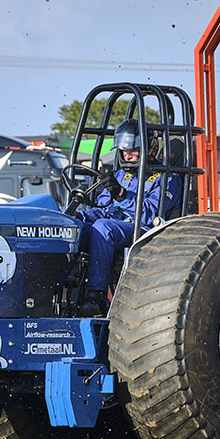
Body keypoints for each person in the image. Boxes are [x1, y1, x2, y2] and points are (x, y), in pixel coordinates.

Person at [75, 119, 181, 317]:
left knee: (103, 228)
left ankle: (96, 296)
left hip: (146, 232)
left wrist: (122, 195)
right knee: (76, 225)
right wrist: (79, 216)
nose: (127, 155)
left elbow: (149, 214)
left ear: (150, 147)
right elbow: (103, 208)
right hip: (115, 227)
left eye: (133, 149)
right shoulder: (121, 175)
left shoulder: (166, 178)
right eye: (123, 150)